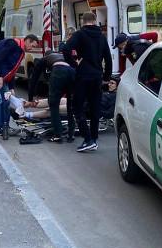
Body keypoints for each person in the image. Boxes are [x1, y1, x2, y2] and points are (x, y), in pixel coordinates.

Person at [62, 12, 112, 152]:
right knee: (95, 108)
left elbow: (65, 49)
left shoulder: (80, 34)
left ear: (83, 21)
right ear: (95, 21)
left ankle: (87, 138)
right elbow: (108, 59)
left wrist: (74, 64)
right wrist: (106, 78)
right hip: (97, 77)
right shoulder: (102, 37)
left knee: (77, 107)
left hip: (83, 76)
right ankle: (94, 139)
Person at [0, 34, 38, 138]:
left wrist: (11, 87)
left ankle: (5, 126)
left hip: (1, 75)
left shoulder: (21, 51)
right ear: (27, 41)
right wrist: (0, 76)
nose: (31, 49)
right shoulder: (12, 44)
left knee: (6, 100)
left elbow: (13, 69)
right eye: (32, 46)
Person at [41, 49, 76, 143]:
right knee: (70, 106)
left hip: (59, 73)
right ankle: (71, 135)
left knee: (54, 107)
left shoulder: (46, 59)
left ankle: (58, 135)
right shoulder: (64, 56)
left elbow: (42, 76)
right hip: (72, 73)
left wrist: (31, 96)